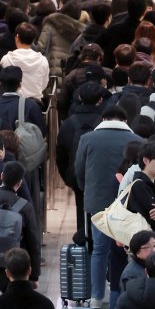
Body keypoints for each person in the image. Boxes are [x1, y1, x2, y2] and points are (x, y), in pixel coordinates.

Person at [75, 103, 141, 309]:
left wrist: (87, 190)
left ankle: (96, 297)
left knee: (99, 249)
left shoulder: (87, 139)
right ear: (125, 121)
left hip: (98, 201)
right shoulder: (138, 140)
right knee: (126, 249)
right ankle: (123, 292)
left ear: (103, 119)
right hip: (129, 204)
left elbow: (79, 170)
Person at [0, 162, 41, 288]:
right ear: (20, 183)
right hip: (13, 266)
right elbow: (33, 243)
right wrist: (34, 275)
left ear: (1, 176)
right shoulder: (25, 207)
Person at [55, 81, 104, 235]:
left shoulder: (69, 123)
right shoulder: (104, 122)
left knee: (80, 207)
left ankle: (82, 240)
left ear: (80, 98)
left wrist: (68, 177)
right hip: (100, 176)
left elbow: (60, 154)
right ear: (100, 100)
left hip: (76, 175)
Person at [0, 24, 49, 101]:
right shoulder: (43, 60)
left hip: (13, 104)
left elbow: (2, 83)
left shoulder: (6, 59)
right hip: (36, 105)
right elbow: (44, 84)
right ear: (33, 40)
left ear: (17, 38)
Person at [36, 0, 84, 75]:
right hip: (68, 72)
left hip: (49, 70)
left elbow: (40, 47)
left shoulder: (51, 23)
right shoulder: (81, 33)